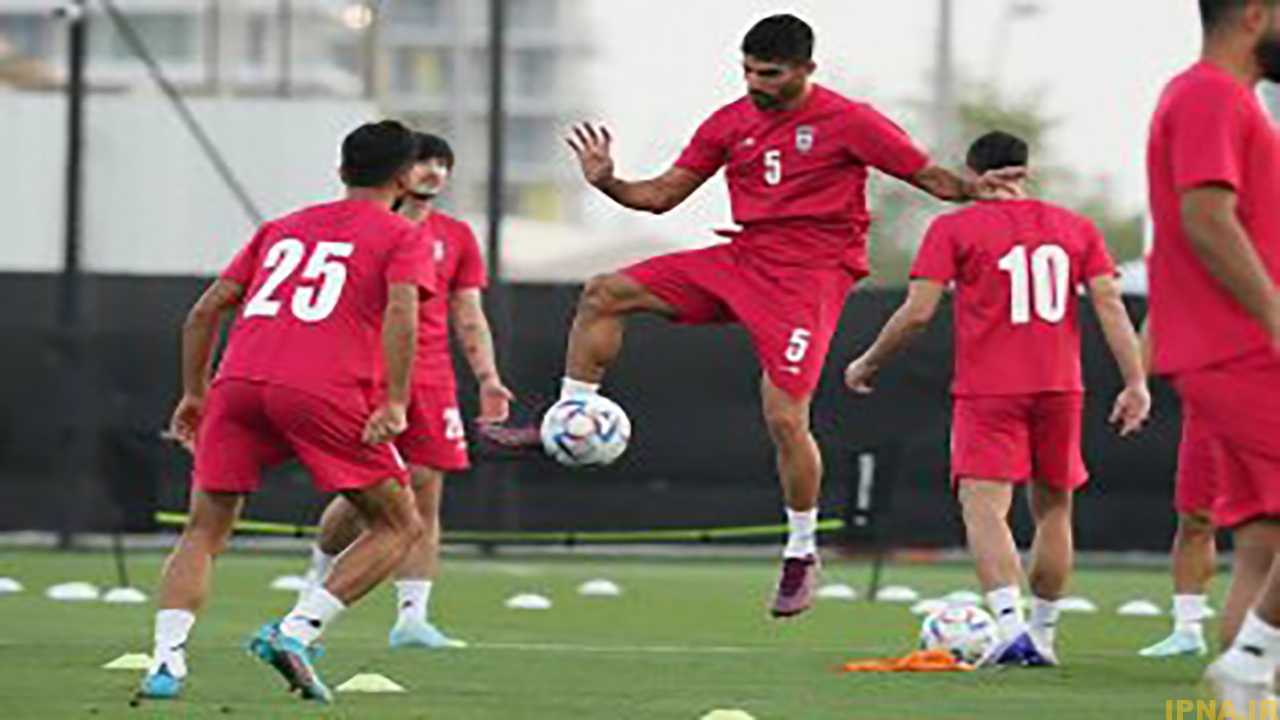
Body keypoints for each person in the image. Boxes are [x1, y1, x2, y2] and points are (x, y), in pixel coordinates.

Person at [481, 13, 1021, 618]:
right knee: (605, 292)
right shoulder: (729, 121)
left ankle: (800, 552)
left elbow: (930, 177)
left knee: (785, 418)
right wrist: (609, 181)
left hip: (810, 275)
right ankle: (568, 415)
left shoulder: (851, 121)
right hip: (744, 258)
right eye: (746, 70)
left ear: (806, 70)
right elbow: (660, 197)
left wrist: (974, 187)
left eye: (769, 73)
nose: (755, 83)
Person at [139, 121, 436, 704]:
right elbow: (403, 313)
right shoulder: (403, 235)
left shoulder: (283, 227)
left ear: (342, 170)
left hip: (239, 382)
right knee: (400, 524)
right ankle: (296, 630)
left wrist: (195, 394)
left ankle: (165, 663)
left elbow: (203, 313)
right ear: (404, 177)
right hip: (320, 390)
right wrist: (396, 400)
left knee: (203, 530)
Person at [843, 131, 1150, 666]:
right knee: (1055, 509)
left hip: (991, 387)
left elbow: (917, 313)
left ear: (974, 171)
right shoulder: (1076, 227)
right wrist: (1135, 382)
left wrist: (868, 361)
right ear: (1024, 170)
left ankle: (1009, 629)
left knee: (985, 508)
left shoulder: (953, 227)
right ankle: (1045, 636)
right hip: (1061, 385)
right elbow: (1110, 306)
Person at [301, 132, 512, 649]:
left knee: (425, 490)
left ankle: (412, 618)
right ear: (399, 170)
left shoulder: (456, 236)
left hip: (433, 379)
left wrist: (488, 377)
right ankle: (315, 584)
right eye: (424, 162)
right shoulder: (368, 229)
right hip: (367, 374)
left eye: (444, 163)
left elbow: (468, 312)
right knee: (365, 489)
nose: (434, 172)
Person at [1147, 0, 1280, 705]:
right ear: (1256, 14)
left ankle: (1249, 686)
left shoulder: (1228, 101)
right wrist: (1275, 316)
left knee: (1261, 546)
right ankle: (1253, 660)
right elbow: (1206, 216)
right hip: (1240, 350)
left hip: (1229, 349)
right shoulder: (1209, 95)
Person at [1139, 321, 1220, 658]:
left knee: (1266, 525)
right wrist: (1136, 381)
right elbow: (1158, 316)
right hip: (1210, 402)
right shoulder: (1190, 270)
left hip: (1264, 394)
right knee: (1196, 516)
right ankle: (1187, 629)